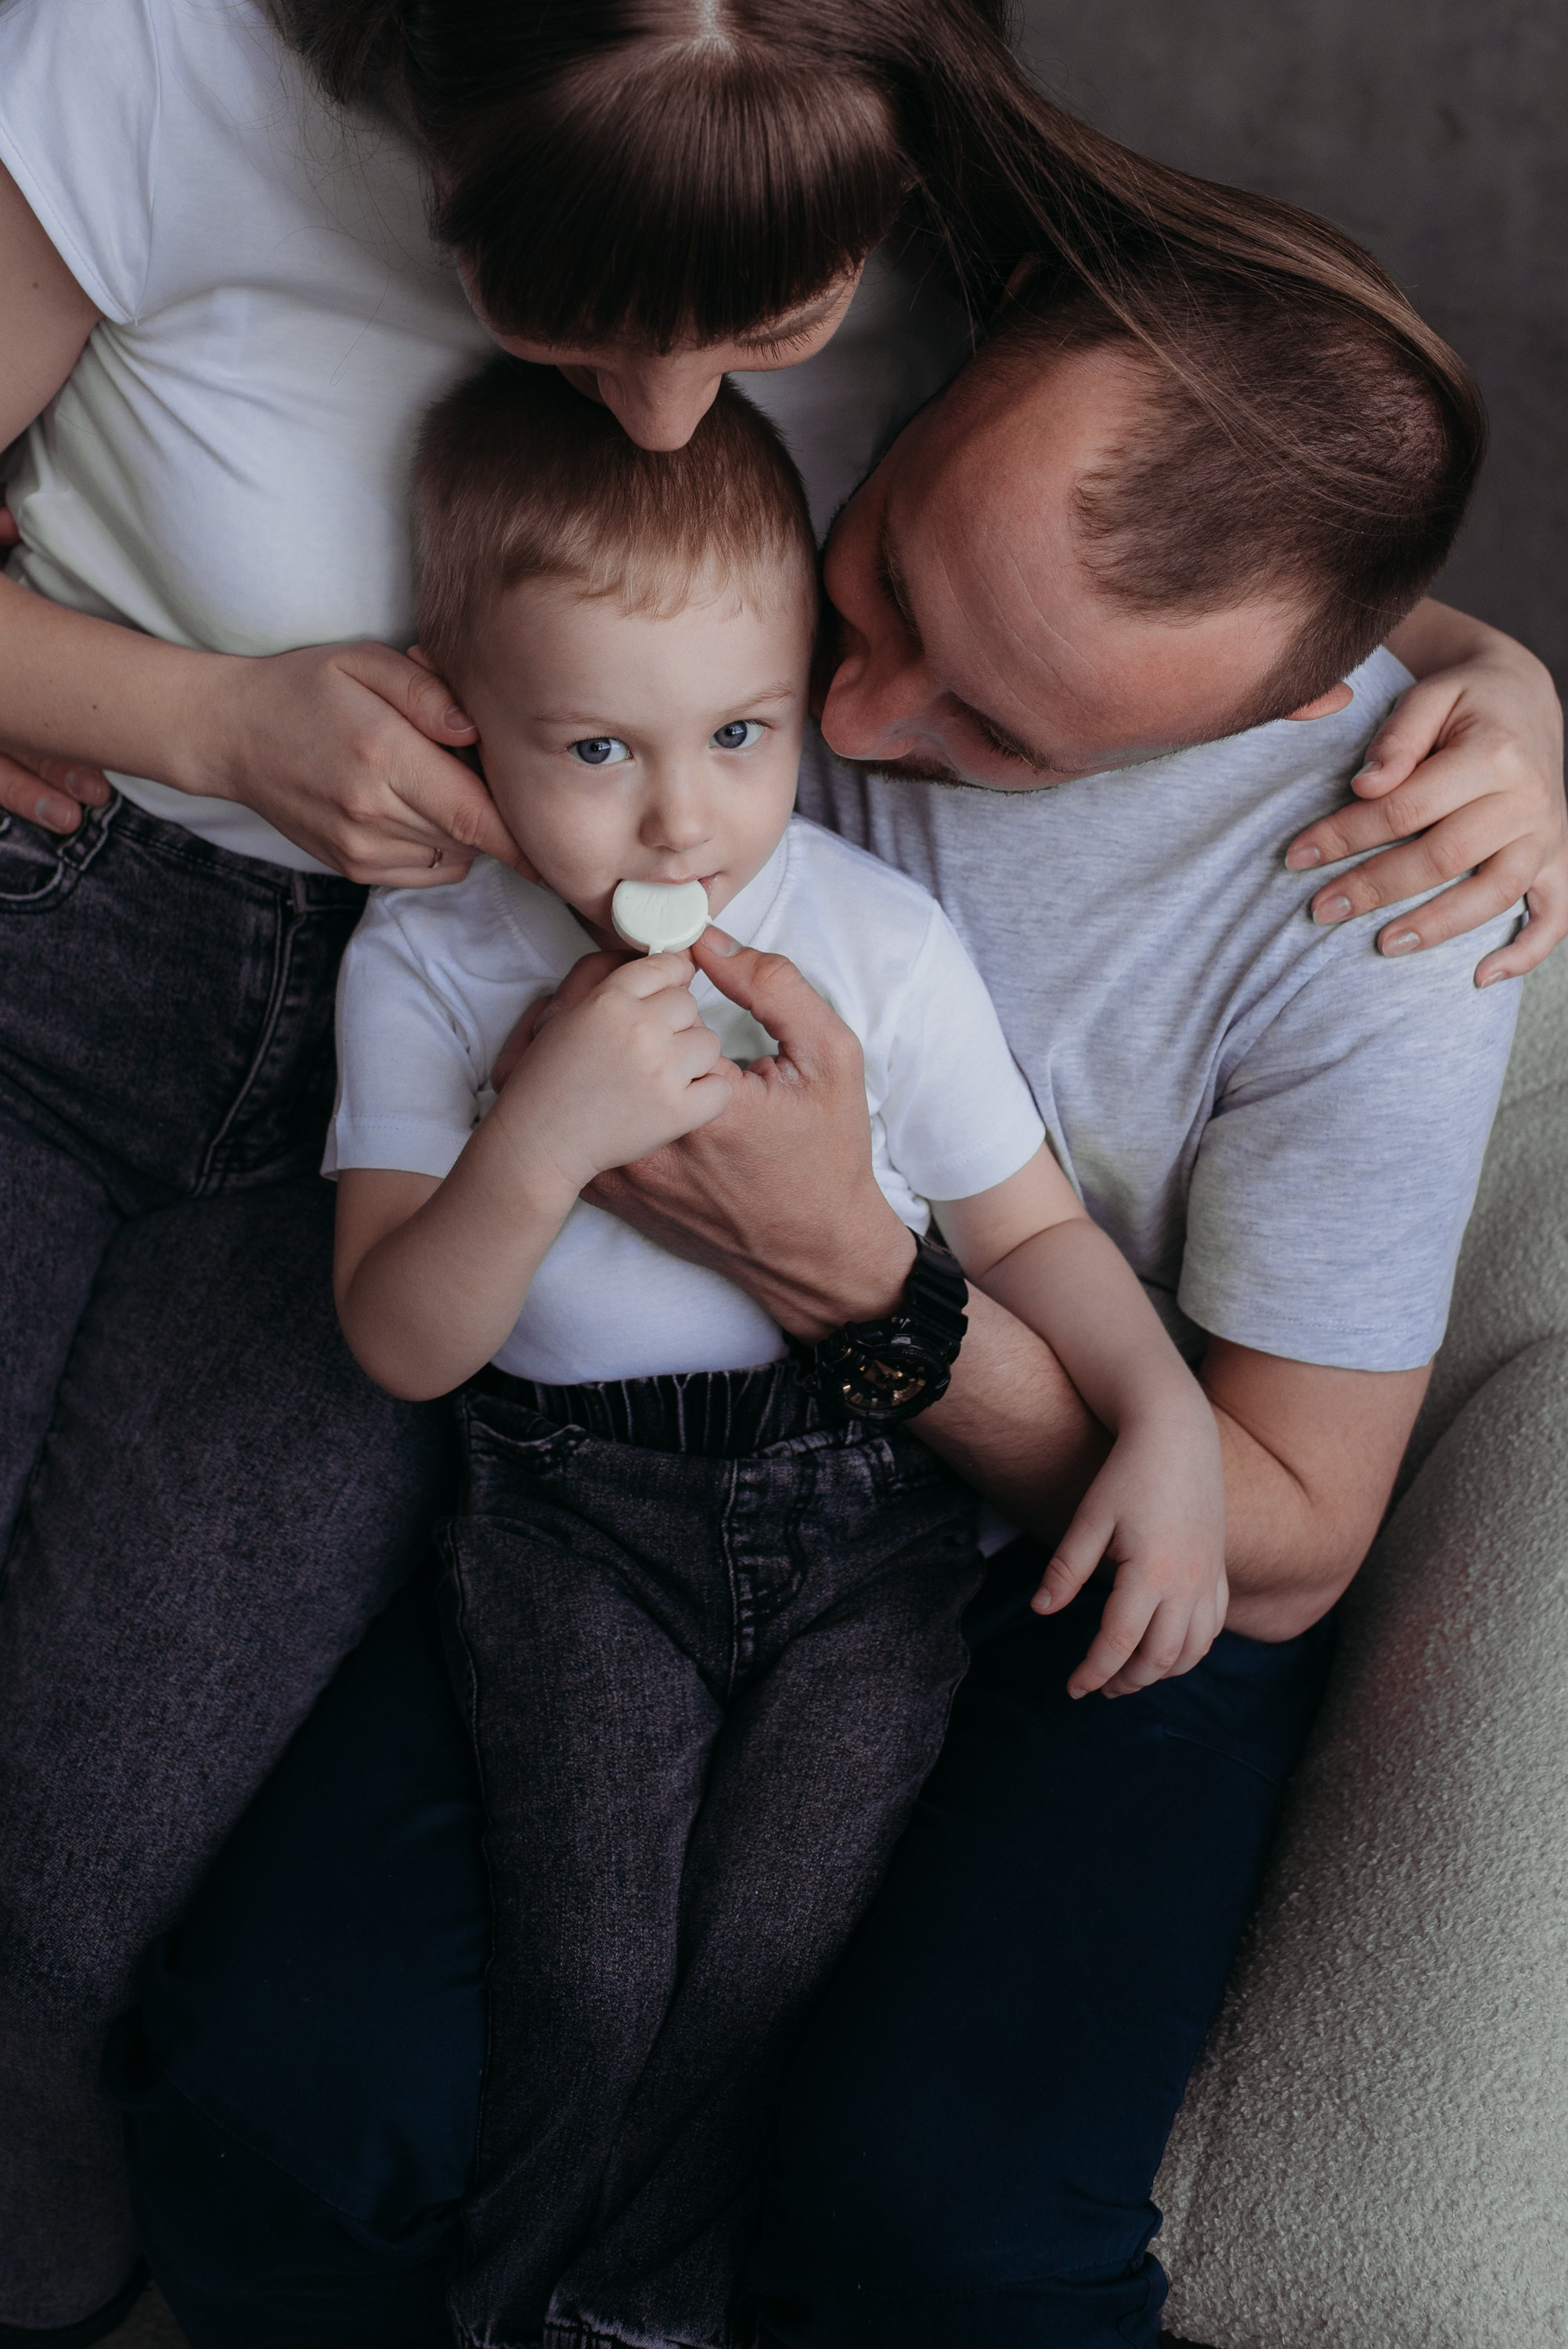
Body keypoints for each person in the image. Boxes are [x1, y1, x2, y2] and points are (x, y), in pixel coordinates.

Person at [0, 1, 1561, 2338]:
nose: (837, 733)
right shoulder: (707, 645)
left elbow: (1264, 1500)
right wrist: (163, 708)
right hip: (388, 1241)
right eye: (885, 588)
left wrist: (1502, 684)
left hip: (922, 1492)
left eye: (979, 721)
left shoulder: (1311, 886)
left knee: (882, 2177)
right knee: (314, 2062)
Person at [329, 359, 1227, 2349]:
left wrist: (1161, 1412)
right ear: (463, 711)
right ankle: (528, 2308)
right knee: (584, 1953)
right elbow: (398, 1339)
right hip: (577, 1530)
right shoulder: (435, 960)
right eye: (593, 749)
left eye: (739, 732)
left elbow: (1031, 1232)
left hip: (861, 1525)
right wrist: (540, 1132)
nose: (686, 815)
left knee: (769, 1938)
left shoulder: (873, 940)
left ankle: (635, 2306)